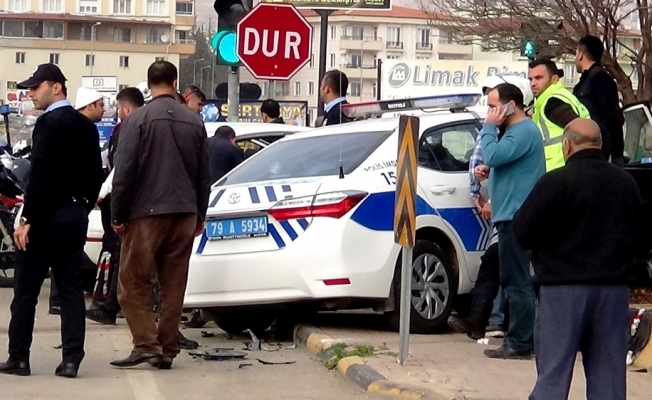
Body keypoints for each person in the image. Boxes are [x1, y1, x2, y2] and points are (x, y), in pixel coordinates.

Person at [512, 118, 647, 399]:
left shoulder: (555, 182)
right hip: (612, 292)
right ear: (599, 145)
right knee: (609, 380)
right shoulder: (626, 183)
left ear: (566, 146)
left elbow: (522, 232)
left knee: (553, 375)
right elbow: (642, 236)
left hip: (563, 291)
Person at [0, 63, 103, 377]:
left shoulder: (48, 123)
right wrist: (82, 207)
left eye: (35, 87)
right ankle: (71, 360)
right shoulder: (86, 125)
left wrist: (27, 218)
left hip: (46, 218)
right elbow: (96, 176)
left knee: (26, 291)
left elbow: (42, 175)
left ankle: (19, 357)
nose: (30, 93)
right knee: (71, 291)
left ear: (56, 87)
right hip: (74, 216)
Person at [109, 61, 211, 370]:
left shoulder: (137, 119)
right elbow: (203, 174)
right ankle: (167, 349)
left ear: (149, 83)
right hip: (184, 213)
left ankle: (146, 344)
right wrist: (199, 215)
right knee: (173, 285)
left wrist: (118, 214)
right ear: (175, 82)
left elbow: (123, 173)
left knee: (132, 283)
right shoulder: (194, 121)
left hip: (147, 212)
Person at [475, 83, 545, 359]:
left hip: (517, 217)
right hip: (510, 214)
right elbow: (500, 161)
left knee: (517, 282)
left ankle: (519, 342)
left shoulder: (523, 130)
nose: (490, 112)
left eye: (493, 107)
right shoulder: (515, 133)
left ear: (510, 106)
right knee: (514, 279)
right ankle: (520, 339)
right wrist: (489, 170)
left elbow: (492, 153)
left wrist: (488, 128)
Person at [86, 87, 145, 325]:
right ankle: (112, 304)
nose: (115, 112)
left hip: (127, 202)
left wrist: (102, 193)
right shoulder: (129, 129)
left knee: (123, 256)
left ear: (126, 108)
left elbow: (120, 170)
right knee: (122, 255)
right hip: (132, 202)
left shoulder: (130, 129)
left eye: (118, 108)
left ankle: (112, 305)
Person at [529, 59, 592, 171]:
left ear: (554, 79)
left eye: (538, 78)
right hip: (567, 170)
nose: (533, 83)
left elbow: (581, 132)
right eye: (531, 79)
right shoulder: (559, 97)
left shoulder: (552, 102)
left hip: (559, 170)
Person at [574, 34, 624, 166]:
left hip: (603, 155)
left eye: (576, 53)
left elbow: (611, 118)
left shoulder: (599, 77)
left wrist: (607, 152)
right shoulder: (588, 79)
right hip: (592, 153)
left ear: (580, 55)